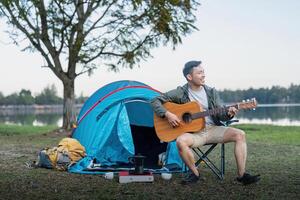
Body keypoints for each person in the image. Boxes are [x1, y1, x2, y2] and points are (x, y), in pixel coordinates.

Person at [151, 60, 260, 185]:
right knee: (181, 141)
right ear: (189, 77)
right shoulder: (180, 92)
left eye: (203, 72)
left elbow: (221, 115)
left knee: (240, 134)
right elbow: (154, 101)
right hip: (195, 134)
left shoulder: (211, 92)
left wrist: (229, 113)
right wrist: (168, 114)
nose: (203, 75)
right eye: (199, 73)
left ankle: (242, 176)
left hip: (212, 129)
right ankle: (195, 174)